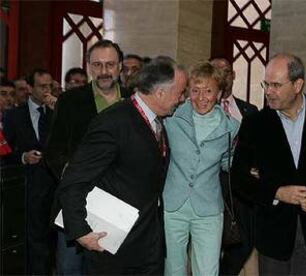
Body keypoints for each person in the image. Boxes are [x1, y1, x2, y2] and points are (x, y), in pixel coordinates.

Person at [58, 56, 187, 275]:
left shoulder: (156, 121)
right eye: (180, 92)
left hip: (146, 243)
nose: (182, 99)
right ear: (160, 92)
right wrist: (80, 231)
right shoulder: (113, 122)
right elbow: (74, 179)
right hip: (112, 249)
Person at [231, 53, 306, 275]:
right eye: (266, 84)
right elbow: (238, 177)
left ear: (298, 85)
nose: (268, 91)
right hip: (273, 234)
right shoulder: (256, 123)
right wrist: (277, 193)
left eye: (276, 85)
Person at [45, 39, 130, 275]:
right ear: (89, 66)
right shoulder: (70, 101)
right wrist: (73, 177)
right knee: (70, 268)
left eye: (110, 65)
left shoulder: (134, 100)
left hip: (121, 206)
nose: (104, 71)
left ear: (120, 66)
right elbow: (54, 151)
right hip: (77, 203)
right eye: (98, 65)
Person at [163, 61, 239, 276]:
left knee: (208, 271)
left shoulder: (231, 127)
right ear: (187, 91)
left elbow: (227, 162)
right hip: (172, 206)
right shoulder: (172, 118)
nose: (201, 97)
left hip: (209, 209)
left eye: (208, 91)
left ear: (220, 93)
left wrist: (247, 167)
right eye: (195, 91)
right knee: (172, 269)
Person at [3, 69, 56, 275]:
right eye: (42, 86)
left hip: (54, 186)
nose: (47, 90)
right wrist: (24, 157)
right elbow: (5, 153)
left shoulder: (57, 112)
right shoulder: (14, 116)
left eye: (50, 86)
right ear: (30, 89)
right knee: (33, 242)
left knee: (52, 243)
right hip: (28, 188)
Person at [210, 57, 259, 276]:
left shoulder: (250, 111)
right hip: (209, 189)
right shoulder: (199, 108)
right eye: (215, 70)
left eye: (226, 71)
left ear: (233, 75)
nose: (222, 74)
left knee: (244, 244)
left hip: (240, 191)